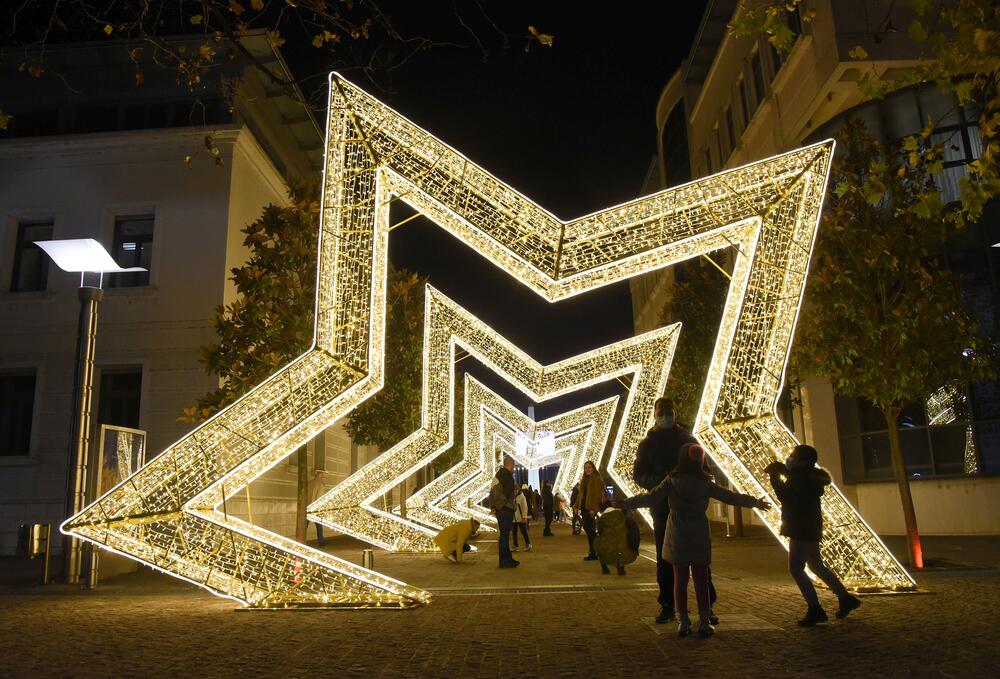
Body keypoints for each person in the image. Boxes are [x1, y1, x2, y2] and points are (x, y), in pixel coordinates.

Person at [624, 443, 770, 638]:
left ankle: (683, 622)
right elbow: (730, 497)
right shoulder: (705, 483)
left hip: (678, 530)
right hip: (699, 531)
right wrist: (755, 502)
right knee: (701, 579)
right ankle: (704, 621)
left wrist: (625, 503)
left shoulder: (671, 481)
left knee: (680, 580)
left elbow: (650, 498)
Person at [765, 445, 862, 626]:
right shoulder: (808, 476)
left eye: (793, 456)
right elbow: (795, 481)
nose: (789, 457)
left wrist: (774, 476)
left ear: (803, 461)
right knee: (816, 565)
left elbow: (786, 495)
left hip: (800, 528)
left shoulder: (800, 478)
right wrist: (781, 469)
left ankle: (815, 608)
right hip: (810, 527)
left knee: (796, 568)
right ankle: (845, 598)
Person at [632, 397, 697, 624]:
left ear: (675, 412)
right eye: (662, 412)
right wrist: (659, 483)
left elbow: (703, 467)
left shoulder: (687, 439)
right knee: (665, 557)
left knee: (699, 557)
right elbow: (638, 475)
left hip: (690, 506)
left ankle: (707, 604)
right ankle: (668, 604)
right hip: (661, 507)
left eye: (669, 411)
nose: (666, 416)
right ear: (655, 414)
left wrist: (687, 480)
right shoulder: (647, 444)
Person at [490, 455, 519, 568]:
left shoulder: (497, 476)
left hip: (501, 509)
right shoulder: (507, 477)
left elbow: (491, 493)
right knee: (505, 535)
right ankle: (504, 561)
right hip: (505, 510)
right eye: (514, 465)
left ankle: (507, 559)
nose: (514, 467)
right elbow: (509, 492)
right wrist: (501, 505)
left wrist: (494, 506)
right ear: (510, 464)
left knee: (504, 535)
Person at [576, 461, 605, 561]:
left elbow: (597, 496)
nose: (587, 469)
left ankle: (595, 552)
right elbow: (581, 495)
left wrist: (594, 509)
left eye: (589, 467)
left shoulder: (596, 480)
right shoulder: (585, 480)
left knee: (590, 531)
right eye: (585, 468)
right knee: (589, 530)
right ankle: (593, 551)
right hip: (584, 508)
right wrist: (576, 505)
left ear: (593, 468)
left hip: (590, 508)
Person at [307, 470, 331, 546]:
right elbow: (319, 497)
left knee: (305, 524)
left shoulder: (310, 483)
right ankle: (321, 541)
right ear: (319, 475)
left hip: (308, 506)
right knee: (319, 525)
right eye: (322, 474)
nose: (323, 476)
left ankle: (301, 539)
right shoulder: (320, 484)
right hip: (316, 507)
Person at [512, 484, 533, 551]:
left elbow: (524, 507)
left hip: (520, 517)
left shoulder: (522, 497)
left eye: (515, 490)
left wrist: (524, 517)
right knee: (514, 532)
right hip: (514, 517)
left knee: (523, 531)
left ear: (518, 490)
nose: (514, 492)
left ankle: (528, 544)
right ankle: (515, 546)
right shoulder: (513, 497)